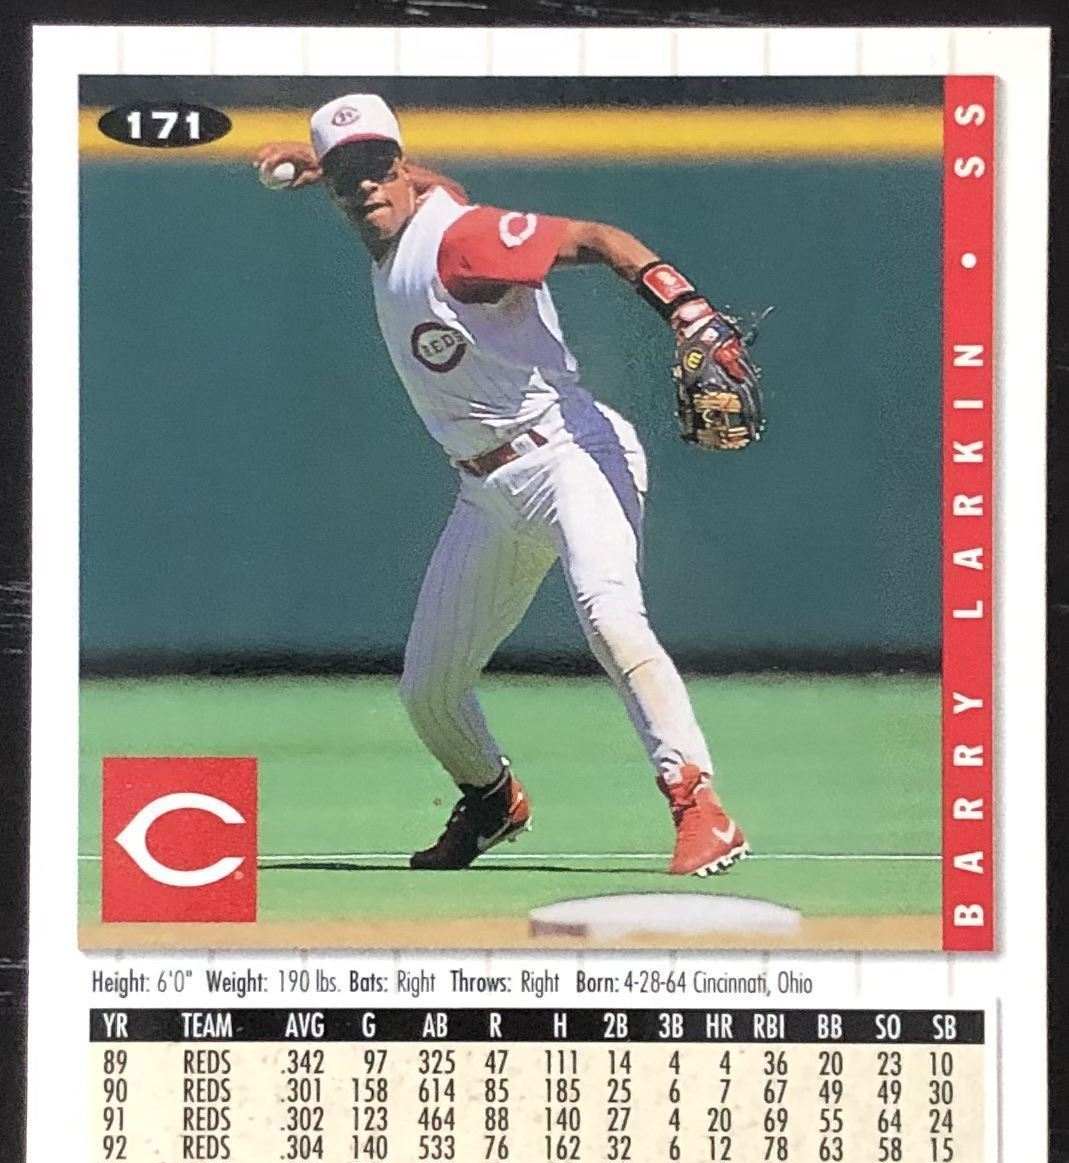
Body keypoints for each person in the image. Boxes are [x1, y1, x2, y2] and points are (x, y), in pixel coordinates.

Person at [255, 93, 750, 877]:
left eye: (378, 165)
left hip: (569, 457)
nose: (367, 185)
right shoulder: (411, 211)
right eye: (348, 173)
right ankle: (490, 800)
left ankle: (698, 803)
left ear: (402, 167)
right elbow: (411, 185)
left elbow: (599, 239)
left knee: (610, 618)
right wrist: (321, 164)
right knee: (429, 690)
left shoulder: (461, 240)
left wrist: (687, 311)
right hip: (486, 494)